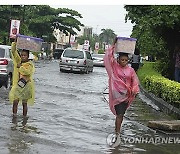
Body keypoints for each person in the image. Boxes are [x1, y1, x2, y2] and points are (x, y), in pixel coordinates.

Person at [104, 37, 139, 144]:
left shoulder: (130, 70)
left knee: (122, 114)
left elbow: (135, 81)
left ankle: (117, 130)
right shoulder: (114, 67)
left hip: (126, 96)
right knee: (119, 114)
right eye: (122, 60)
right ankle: (117, 132)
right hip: (117, 95)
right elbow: (108, 56)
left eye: (126, 60)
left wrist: (134, 89)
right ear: (118, 60)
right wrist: (114, 44)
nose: (124, 62)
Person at [9, 41, 35, 117]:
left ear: (28, 56)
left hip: (26, 86)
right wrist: (15, 42)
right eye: (22, 55)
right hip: (18, 85)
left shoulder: (30, 64)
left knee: (24, 103)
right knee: (15, 102)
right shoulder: (18, 61)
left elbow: (27, 72)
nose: (23, 57)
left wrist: (20, 67)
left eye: (25, 55)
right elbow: (13, 51)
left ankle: (24, 119)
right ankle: (14, 117)